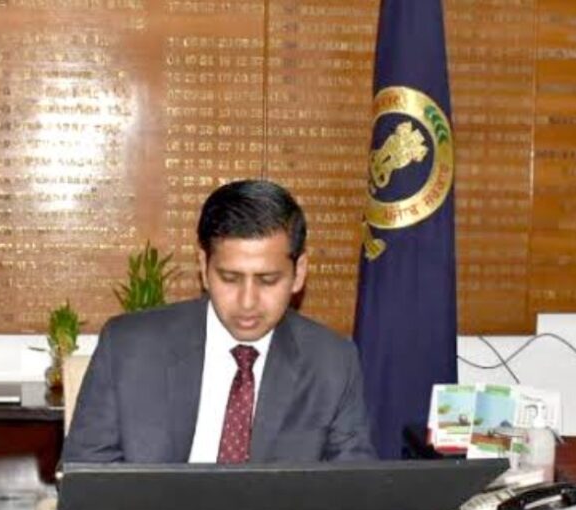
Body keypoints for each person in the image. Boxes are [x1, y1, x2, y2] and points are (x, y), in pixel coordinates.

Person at [61, 179, 375, 463]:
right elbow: (87, 476)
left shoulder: (331, 362)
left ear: (299, 273)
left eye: (267, 280)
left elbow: (351, 487)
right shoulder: (129, 348)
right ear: (204, 266)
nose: (247, 302)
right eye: (229, 278)